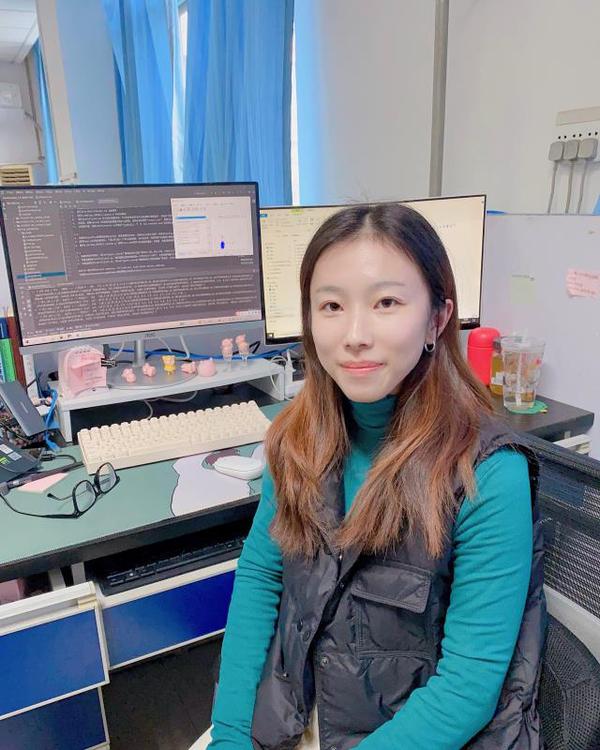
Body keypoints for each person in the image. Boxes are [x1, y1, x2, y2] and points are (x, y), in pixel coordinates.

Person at [205, 203, 545, 750]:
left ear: (436, 319)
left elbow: (467, 688)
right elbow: (261, 581)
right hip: (297, 713)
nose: (355, 335)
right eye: (332, 306)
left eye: (386, 302)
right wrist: (229, 737)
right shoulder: (297, 441)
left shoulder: (486, 472)